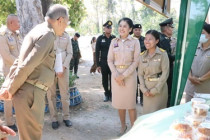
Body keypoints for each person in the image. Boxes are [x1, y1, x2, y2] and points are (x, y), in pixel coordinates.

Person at [0, 4, 69, 140]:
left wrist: (7, 86)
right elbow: (26, 65)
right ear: (60, 20)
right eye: (66, 23)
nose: (66, 26)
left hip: (28, 92)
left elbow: (19, 61)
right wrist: (10, 90)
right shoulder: (48, 35)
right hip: (31, 94)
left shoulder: (37, 30)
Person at [107, 17, 140, 136]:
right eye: (120, 26)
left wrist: (123, 76)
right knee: (120, 104)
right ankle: (123, 126)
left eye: (125, 26)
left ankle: (133, 129)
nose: (122, 28)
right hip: (116, 76)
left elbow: (136, 61)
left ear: (130, 29)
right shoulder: (113, 41)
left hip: (129, 76)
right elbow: (110, 60)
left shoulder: (135, 42)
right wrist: (116, 75)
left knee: (130, 105)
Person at [138, 30, 169, 114]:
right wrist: (143, 88)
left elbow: (165, 73)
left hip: (159, 89)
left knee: (158, 115)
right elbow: (140, 74)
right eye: (145, 39)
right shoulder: (142, 55)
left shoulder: (162, 54)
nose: (147, 41)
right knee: (147, 115)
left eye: (150, 39)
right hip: (147, 90)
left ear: (157, 41)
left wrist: (156, 89)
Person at [47, 31, 72, 130]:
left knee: (64, 94)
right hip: (50, 69)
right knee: (51, 95)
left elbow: (70, 53)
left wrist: (64, 66)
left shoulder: (66, 35)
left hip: (63, 68)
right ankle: (54, 119)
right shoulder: (49, 34)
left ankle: (66, 117)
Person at [0, 14, 21, 132]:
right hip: (10, 70)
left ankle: (18, 119)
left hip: (20, 69)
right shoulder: (3, 36)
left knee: (19, 94)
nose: (19, 24)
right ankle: (9, 122)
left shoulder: (17, 35)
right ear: (11, 23)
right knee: (8, 96)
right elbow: (6, 55)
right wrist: (20, 64)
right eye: (17, 22)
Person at [184, 23, 210, 102]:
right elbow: (186, 63)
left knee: (202, 112)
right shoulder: (193, 46)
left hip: (205, 88)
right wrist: (190, 77)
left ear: (209, 35)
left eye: (202, 33)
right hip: (191, 86)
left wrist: (200, 79)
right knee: (188, 110)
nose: (199, 35)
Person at [96, 20, 116, 102]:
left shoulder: (114, 38)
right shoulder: (100, 38)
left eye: (110, 28)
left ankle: (112, 94)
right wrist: (98, 65)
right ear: (104, 29)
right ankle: (106, 94)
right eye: (107, 28)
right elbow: (97, 52)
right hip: (104, 62)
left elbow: (117, 51)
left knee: (112, 79)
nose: (109, 29)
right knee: (104, 79)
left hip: (113, 63)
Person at [159, 18, 175, 107]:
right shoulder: (164, 40)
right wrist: (178, 57)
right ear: (166, 28)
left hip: (164, 68)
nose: (172, 29)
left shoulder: (164, 38)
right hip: (166, 68)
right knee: (168, 91)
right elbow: (167, 57)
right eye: (171, 27)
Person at [133, 23, 146, 105]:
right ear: (133, 30)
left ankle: (142, 99)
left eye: (139, 30)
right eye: (136, 30)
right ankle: (133, 100)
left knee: (142, 82)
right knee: (133, 82)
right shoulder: (130, 39)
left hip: (142, 64)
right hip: (133, 65)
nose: (138, 31)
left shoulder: (145, 40)